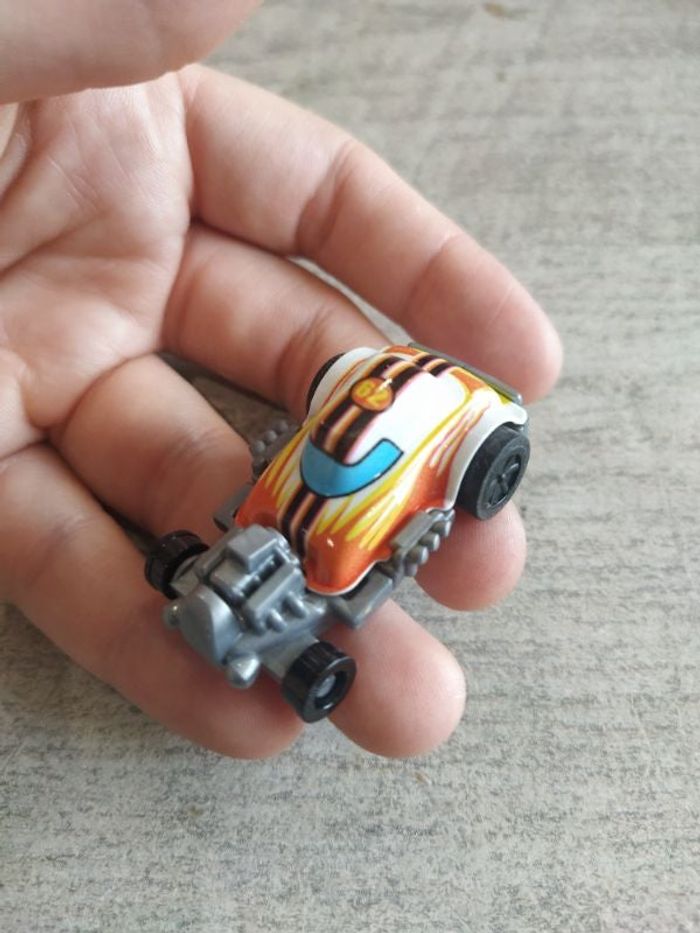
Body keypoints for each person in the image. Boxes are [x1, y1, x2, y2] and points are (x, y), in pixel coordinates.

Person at [0, 1, 562, 759]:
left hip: (356, 483)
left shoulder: (442, 417)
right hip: (312, 490)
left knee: (322, 538)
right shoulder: (288, 488)